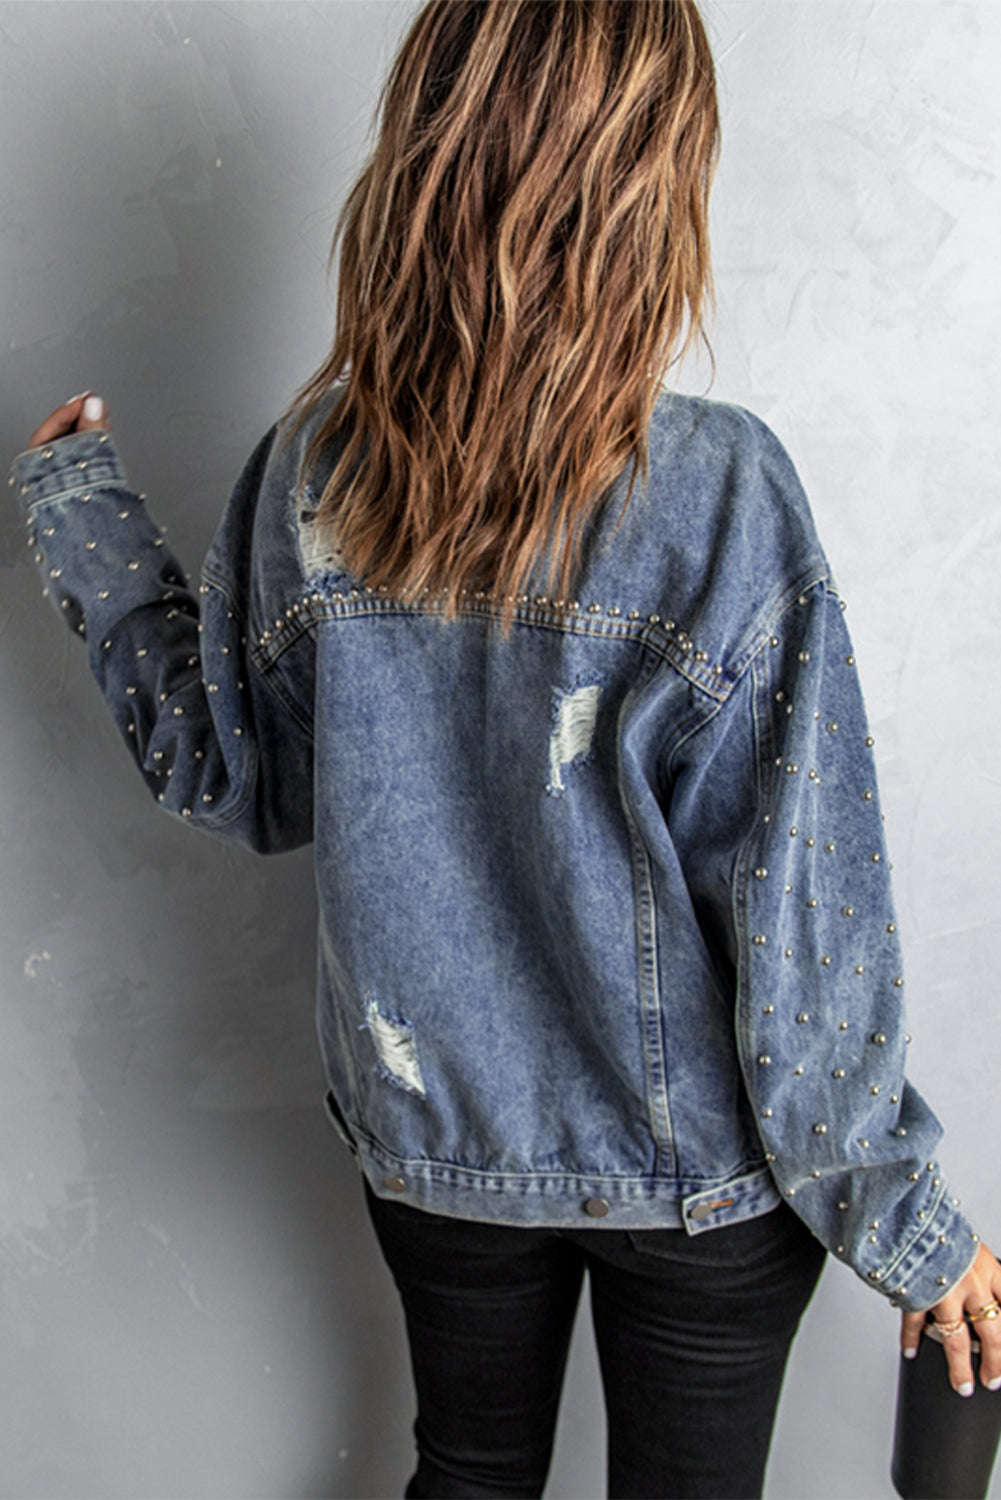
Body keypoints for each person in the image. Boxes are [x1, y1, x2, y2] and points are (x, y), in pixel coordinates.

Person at [9, 2, 1000, 1496]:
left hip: (437, 1142)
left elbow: (238, 777)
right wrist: (909, 1225)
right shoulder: (722, 493)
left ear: (424, 162)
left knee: (466, 1475)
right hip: (703, 1178)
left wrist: (82, 514)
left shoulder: (318, 470)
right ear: (654, 188)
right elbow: (799, 913)